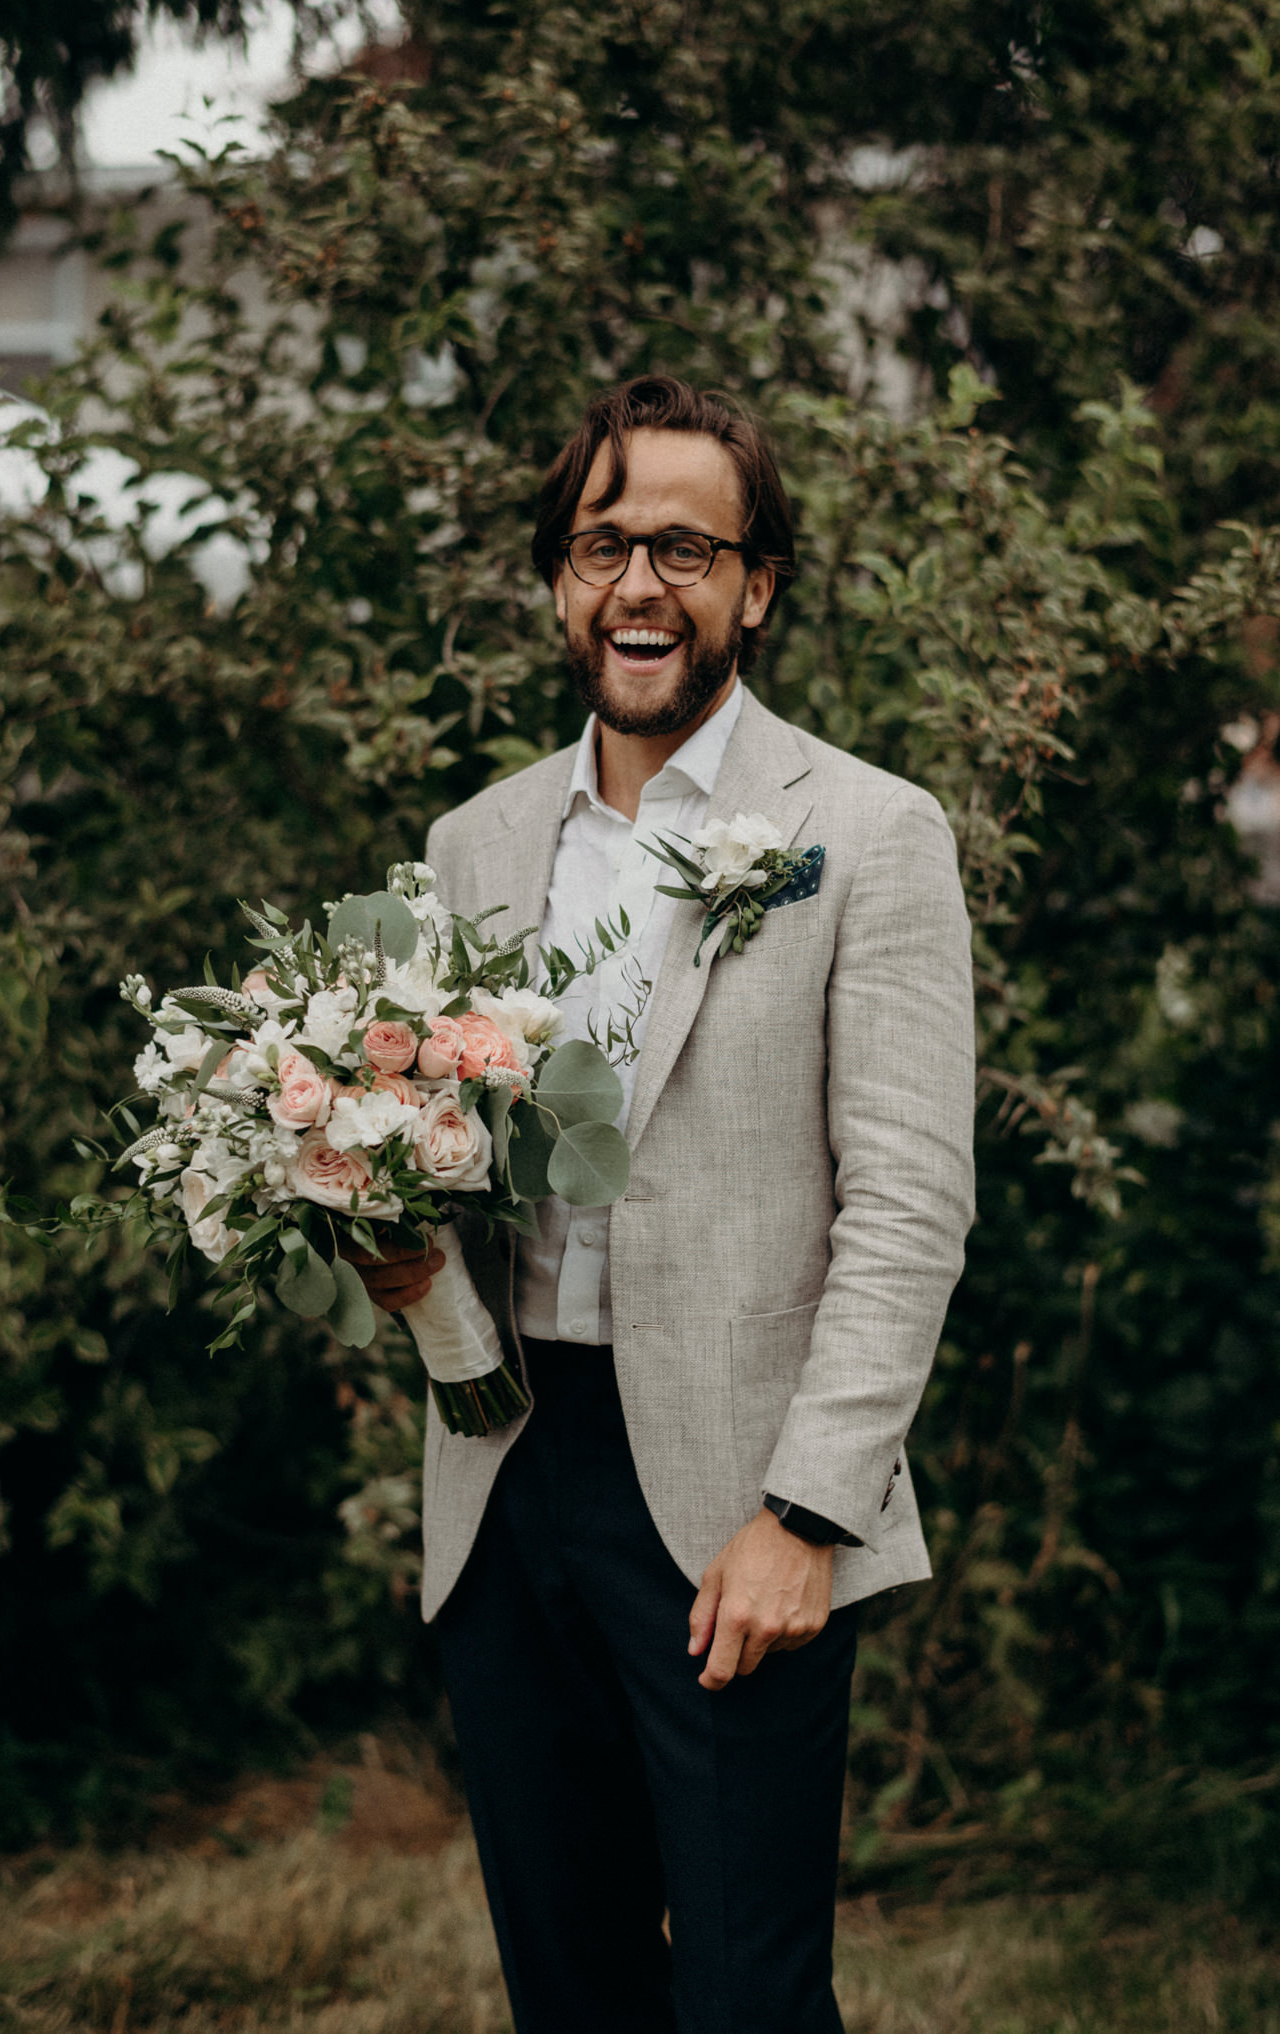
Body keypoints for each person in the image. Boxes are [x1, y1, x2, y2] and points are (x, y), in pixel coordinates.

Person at [353, 375, 975, 2033]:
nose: (640, 582)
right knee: (571, 1990)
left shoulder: (866, 832)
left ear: (755, 583)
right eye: (603, 543)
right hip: (504, 1477)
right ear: (561, 580)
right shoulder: (473, 841)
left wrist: (808, 1517)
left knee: (747, 1997)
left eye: (685, 547)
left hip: (733, 1500)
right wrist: (391, 1249)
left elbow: (909, 1206)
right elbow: (440, 1167)